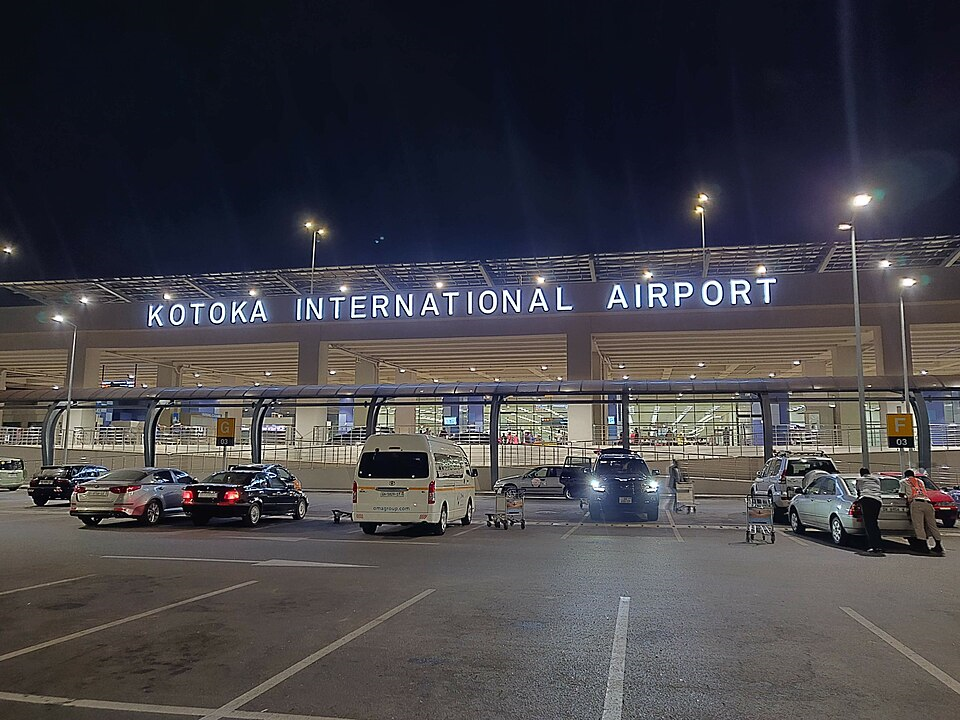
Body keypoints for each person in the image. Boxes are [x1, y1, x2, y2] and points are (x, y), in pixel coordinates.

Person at [899, 469, 944, 555]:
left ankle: (923, 547)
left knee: (919, 525)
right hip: (928, 503)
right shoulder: (920, 481)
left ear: (906, 475)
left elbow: (901, 494)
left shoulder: (904, 481)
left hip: (916, 503)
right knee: (932, 525)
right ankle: (938, 545)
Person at [855, 467, 884, 555]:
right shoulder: (876, 479)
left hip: (866, 499)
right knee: (874, 523)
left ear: (861, 473)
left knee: (869, 524)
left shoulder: (859, 479)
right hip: (877, 500)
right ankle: (879, 545)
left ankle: (873, 546)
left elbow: (858, 490)